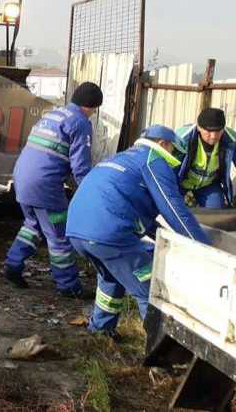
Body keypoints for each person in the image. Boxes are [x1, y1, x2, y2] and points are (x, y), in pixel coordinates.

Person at [66, 125, 211, 336]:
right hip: (110, 235)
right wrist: (203, 246)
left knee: (111, 278)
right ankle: (159, 349)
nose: (175, 159)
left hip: (78, 231)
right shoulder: (154, 160)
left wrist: (162, 235)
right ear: (163, 144)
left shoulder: (123, 158)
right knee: (150, 289)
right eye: (174, 151)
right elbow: (174, 208)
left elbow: (129, 207)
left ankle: (100, 331)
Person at [2, 81, 103, 298]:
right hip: (44, 185)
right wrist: (93, 193)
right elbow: (81, 166)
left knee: (33, 225)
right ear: (90, 107)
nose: (92, 115)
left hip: (22, 178)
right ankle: (68, 286)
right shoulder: (80, 122)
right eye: (94, 111)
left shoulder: (54, 115)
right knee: (59, 235)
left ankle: (12, 265)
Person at [173, 108, 236, 209]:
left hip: (208, 184)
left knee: (216, 210)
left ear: (223, 128)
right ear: (199, 127)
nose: (214, 136)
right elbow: (167, 168)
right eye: (209, 131)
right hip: (180, 182)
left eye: (218, 131)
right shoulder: (181, 137)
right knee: (173, 208)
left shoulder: (232, 139)